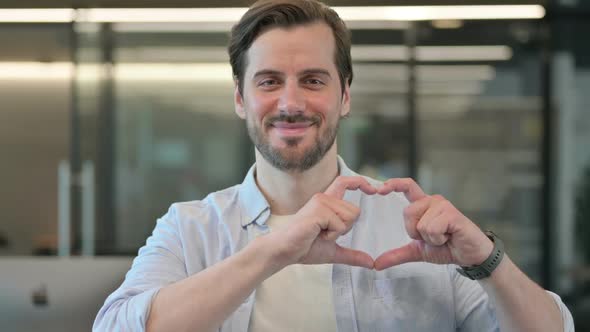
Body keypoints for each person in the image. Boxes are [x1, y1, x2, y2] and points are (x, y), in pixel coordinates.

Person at [93, 0, 574, 331]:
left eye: (313, 80)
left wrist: (488, 261)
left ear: (345, 95)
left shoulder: (417, 229)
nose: (291, 101)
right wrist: (273, 250)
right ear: (240, 98)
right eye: (268, 81)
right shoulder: (189, 229)